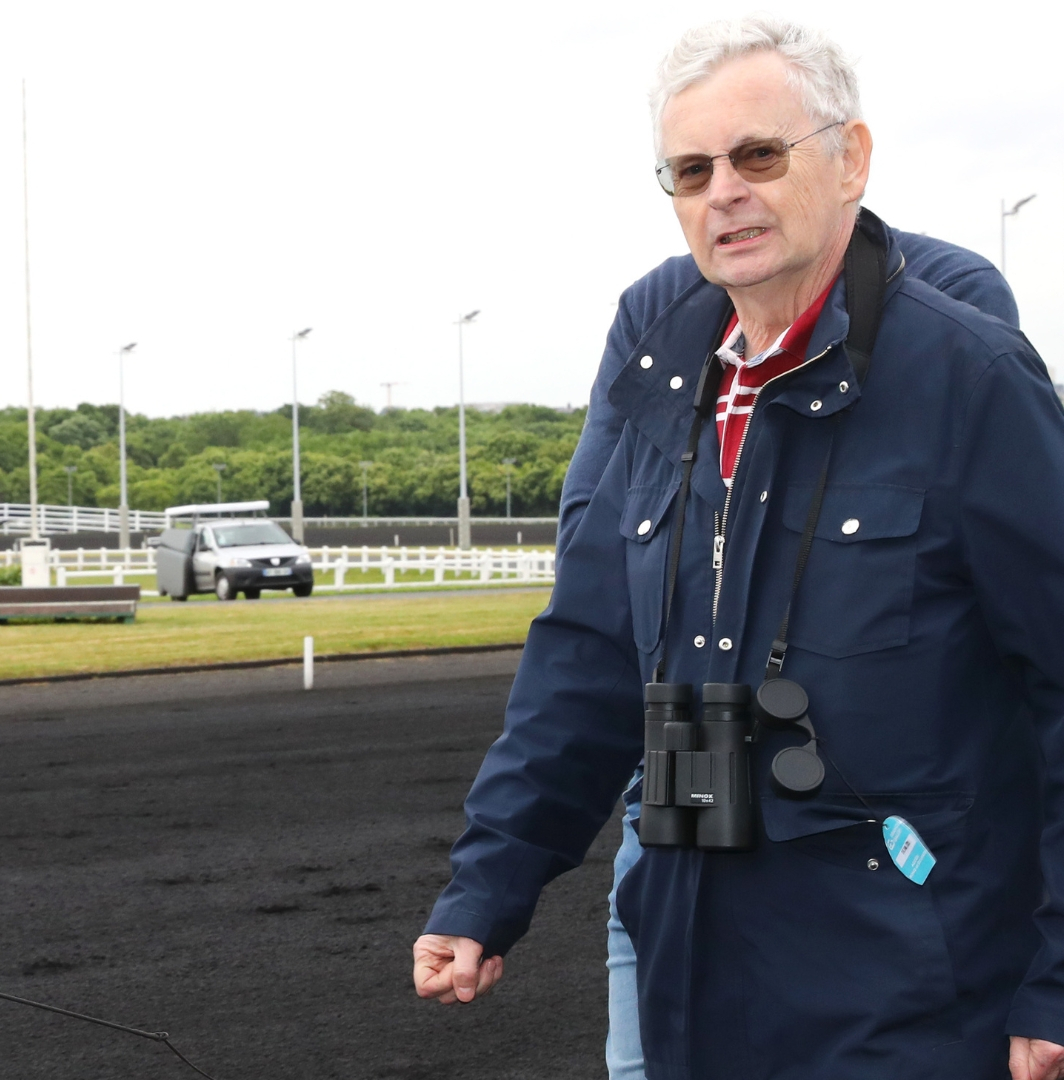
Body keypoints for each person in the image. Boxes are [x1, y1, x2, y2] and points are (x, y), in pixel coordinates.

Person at [412, 16, 1064, 1080]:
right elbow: (584, 654)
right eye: (691, 168)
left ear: (850, 158)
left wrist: (1056, 977)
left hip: (907, 977)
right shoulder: (658, 379)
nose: (726, 190)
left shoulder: (971, 378)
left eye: (760, 155)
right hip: (691, 960)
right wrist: (490, 885)